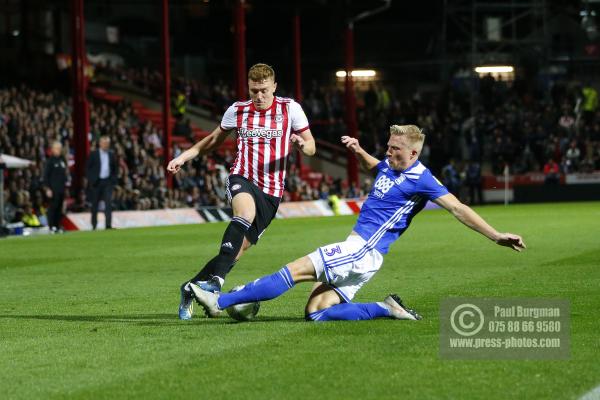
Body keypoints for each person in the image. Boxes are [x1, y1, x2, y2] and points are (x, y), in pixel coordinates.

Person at [190, 125, 525, 322]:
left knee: (294, 270)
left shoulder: (423, 179)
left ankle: (219, 302)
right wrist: (358, 150)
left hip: (361, 249)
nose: (388, 152)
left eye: (394, 149)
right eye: (388, 146)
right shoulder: (391, 167)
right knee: (316, 312)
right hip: (368, 259)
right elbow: (375, 166)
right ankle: (385, 308)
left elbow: (458, 208)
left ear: (413, 154)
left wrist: (495, 236)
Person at [167, 63, 316, 320]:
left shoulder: (290, 108)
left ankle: (190, 287)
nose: (258, 96)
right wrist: (185, 156)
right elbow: (212, 141)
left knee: (238, 250)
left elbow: (312, 146)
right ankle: (215, 283)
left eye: (264, 91)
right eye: (254, 90)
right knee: (244, 213)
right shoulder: (237, 110)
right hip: (242, 177)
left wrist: (302, 145)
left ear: (274, 87)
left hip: (272, 191)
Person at [86, 135, 119, 230]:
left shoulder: (111, 154)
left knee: (108, 203)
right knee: (94, 204)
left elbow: (115, 169)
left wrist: (113, 180)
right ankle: (94, 225)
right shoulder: (93, 154)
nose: (106, 145)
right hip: (97, 182)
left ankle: (108, 225)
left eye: (107, 143)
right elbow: (88, 168)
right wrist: (91, 180)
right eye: (104, 143)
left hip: (107, 182)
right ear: (100, 143)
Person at [43, 141, 69, 232]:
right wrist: (47, 189)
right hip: (53, 189)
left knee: (59, 208)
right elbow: (45, 176)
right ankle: (51, 226)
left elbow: (65, 175)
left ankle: (57, 226)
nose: (59, 150)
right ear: (53, 149)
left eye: (60, 148)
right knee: (53, 208)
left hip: (61, 188)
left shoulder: (62, 160)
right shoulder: (50, 161)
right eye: (57, 148)